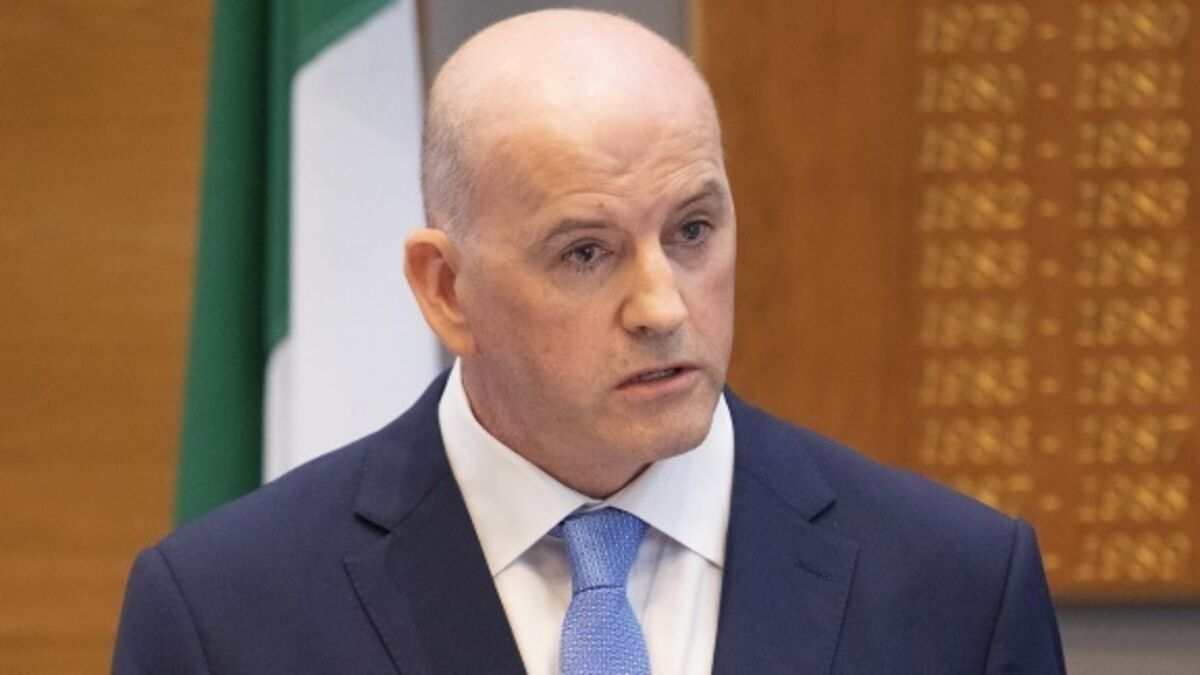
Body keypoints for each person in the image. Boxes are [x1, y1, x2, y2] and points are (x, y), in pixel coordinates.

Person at [113, 9, 1064, 674]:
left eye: (693, 230)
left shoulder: (955, 589)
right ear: (446, 290)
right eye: (585, 252)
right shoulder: (225, 615)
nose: (662, 305)